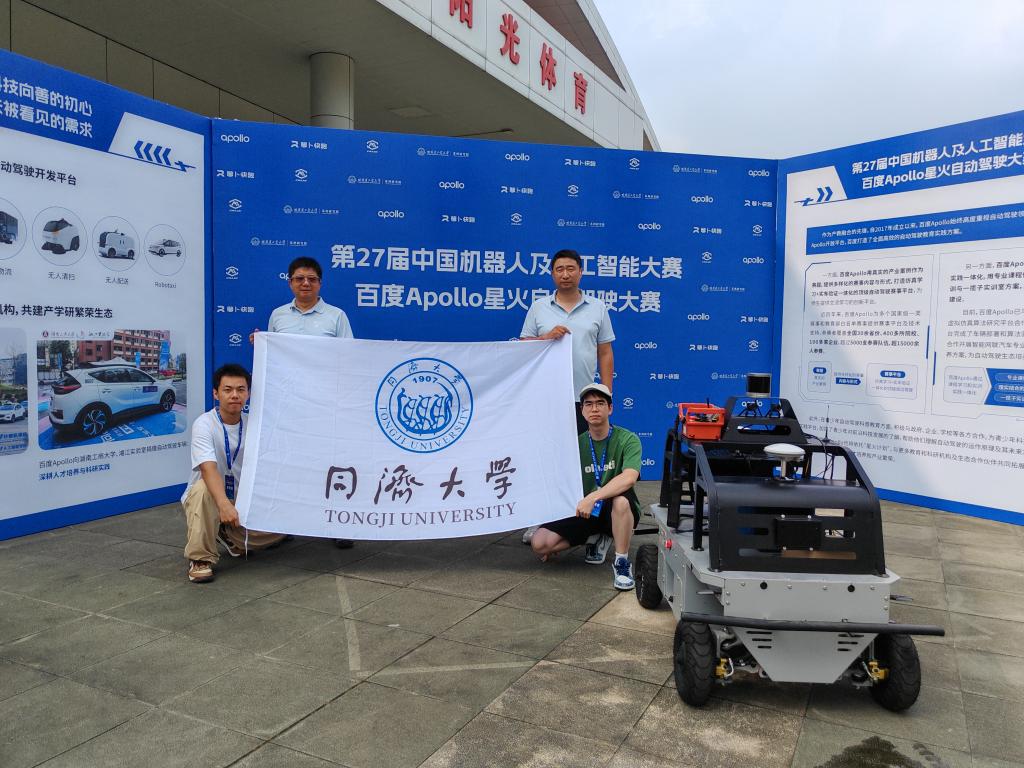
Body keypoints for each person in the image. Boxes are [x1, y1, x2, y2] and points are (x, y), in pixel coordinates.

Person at [251, 255, 355, 548]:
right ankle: (287, 523)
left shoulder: (336, 316)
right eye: (299, 278)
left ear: (320, 283)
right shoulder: (278, 316)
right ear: (290, 283)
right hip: (288, 404)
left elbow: (350, 357)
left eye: (311, 279)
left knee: (331, 462)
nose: (305, 283)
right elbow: (274, 356)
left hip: (326, 402)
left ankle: (339, 524)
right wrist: (261, 344)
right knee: (291, 462)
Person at [520, 248, 615, 545]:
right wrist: (545, 338)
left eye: (571, 268)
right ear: (552, 273)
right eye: (559, 269)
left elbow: (605, 352)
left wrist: (605, 392)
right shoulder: (539, 308)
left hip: (583, 399)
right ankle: (540, 519)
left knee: (582, 460)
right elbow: (523, 348)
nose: (565, 274)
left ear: (580, 272)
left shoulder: (597, 307)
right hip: (546, 397)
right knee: (545, 458)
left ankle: (584, 517)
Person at [530, 383, 643, 590]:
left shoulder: (628, 439)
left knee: (621, 501)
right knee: (540, 543)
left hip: (613, 509)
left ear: (610, 408)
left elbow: (629, 478)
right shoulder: (575, 444)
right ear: (582, 410)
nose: (594, 409)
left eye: (600, 403)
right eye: (589, 404)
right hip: (586, 510)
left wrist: (593, 497)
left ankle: (622, 562)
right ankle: (594, 537)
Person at [182, 363, 285, 583]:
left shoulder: (254, 425)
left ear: (248, 393)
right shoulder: (204, 424)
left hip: (241, 499)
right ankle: (200, 558)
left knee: (284, 528)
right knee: (203, 488)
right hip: (211, 497)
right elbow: (207, 468)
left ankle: (226, 532)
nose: (235, 395)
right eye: (227, 390)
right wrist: (224, 505)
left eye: (241, 389)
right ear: (216, 393)